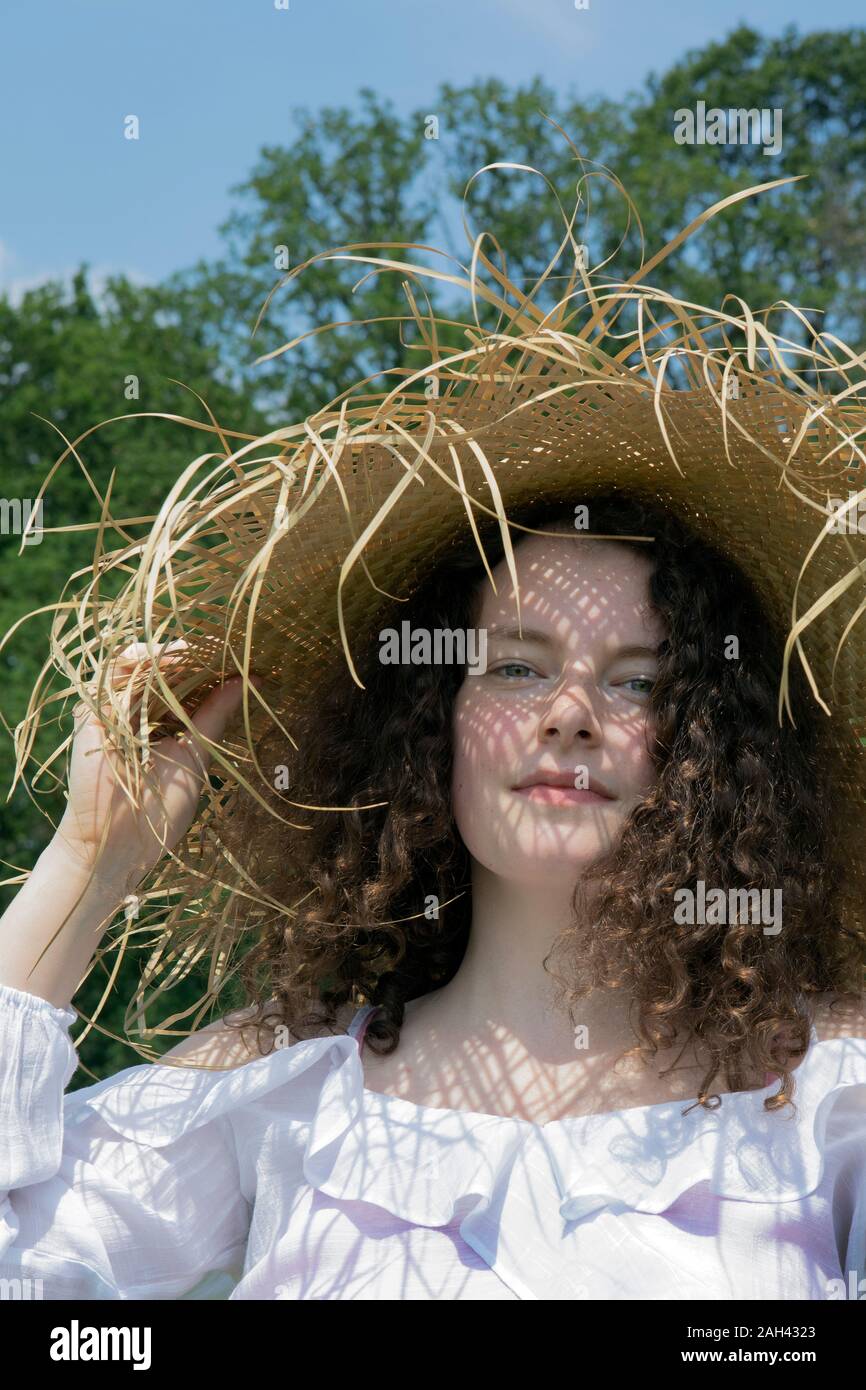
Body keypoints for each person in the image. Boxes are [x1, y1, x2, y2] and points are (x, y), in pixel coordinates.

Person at [1, 155, 865, 1300]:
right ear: (428, 720)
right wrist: (90, 864)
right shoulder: (285, 1089)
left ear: (714, 749)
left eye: (638, 683)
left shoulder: (828, 1092)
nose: (569, 713)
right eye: (517, 665)